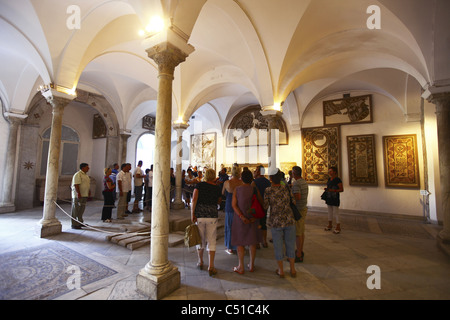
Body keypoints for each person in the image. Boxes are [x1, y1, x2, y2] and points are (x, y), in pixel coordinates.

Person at [264, 170, 297, 278]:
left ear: (271, 179)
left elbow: (265, 206)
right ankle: (292, 269)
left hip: (276, 221)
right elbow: (294, 201)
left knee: (278, 246)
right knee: (290, 244)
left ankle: (281, 270)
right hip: (289, 219)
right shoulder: (286, 188)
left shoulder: (268, 190)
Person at [191, 168, 222, 277]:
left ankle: (200, 261)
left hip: (200, 215)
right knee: (211, 240)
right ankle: (211, 266)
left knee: (200, 239)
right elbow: (219, 201)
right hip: (212, 216)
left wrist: (192, 214)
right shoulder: (217, 188)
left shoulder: (199, 186)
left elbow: (194, 199)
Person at [231, 169, 263, 274]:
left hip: (240, 219)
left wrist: (241, 216)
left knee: (240, 242)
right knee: (252, 241)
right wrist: (254, 216)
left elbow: (234, 205)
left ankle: (241, 266)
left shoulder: (237, 189)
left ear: (241, 178)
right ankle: (251, 265)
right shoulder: (254, 189)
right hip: (253, 218)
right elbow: (260, 203)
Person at [222, 165, 243, 254]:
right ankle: (239, 245)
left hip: (229, 205)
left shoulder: (227, 183)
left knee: (229, 226)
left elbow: (222, 193)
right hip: (239, 205)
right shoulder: (241, 183)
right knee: (239, 226)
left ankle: (230, 247)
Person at [291, 166, 308, 262]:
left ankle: (298, 254)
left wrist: (290, 197)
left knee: (298, 233)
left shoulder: (296, 183)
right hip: (303, 208)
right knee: (301, 231)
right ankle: (300, 250)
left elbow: (297, 196)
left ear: (294, 173)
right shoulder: (304, 181)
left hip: (298, 210)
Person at [252, 165, 271, 248]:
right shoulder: (268, 182)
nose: (255, 172)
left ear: (259, 172)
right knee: (263, 223)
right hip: (265, 205)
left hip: (256, 205)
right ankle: (264, 241)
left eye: (256, 170)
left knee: (256, 223)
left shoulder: (255, 182)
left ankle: (257, 242)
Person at [324, 166, 344, 234]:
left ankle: (338, 226)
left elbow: (341, 189)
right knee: (329, 212)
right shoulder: (329, 179)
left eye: (331, 171)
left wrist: (333, 190)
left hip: (335, 198)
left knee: (336, 212)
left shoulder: (337, 179)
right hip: (329, 197)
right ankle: (330, 225)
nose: (329, 172)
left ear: (334, 172)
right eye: (329, 171)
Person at [71, 163, 91, 229]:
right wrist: (78, 193)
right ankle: (74, 224)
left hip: (84, 194)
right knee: (75, 209)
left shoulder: (86, 175)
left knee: (81, 209)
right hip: (78, 195)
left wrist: (89, 191)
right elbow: (76, 184)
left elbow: (87, 184)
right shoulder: (78, 174)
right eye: (87, 167)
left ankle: (80, 222)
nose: (88, 168)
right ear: (83, 168)